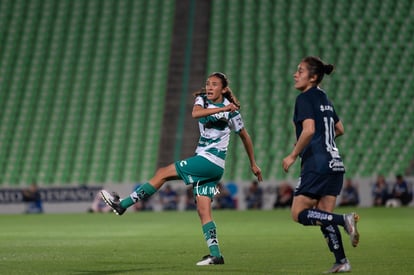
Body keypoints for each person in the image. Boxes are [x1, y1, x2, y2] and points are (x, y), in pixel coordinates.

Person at [100, 72, 262, 266]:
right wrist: (224, 108)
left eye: (215, 84)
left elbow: (245, 136)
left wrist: (253, 163)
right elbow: (196, 114)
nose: (209, 87)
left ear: (224, 89)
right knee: (204, 211)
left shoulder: (232, 113)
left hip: (210, 161)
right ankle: (215, 255)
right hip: (209, 164)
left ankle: (122, 205)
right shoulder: (202, 100)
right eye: (208, 84)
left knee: (162, 173)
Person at [282, 56, 359, 273]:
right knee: (323, 216)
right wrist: (323, 140)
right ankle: (342, 261)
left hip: (317, 164)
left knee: (298, 213)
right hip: (335, 164)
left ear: (313, 77)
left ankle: (344, 219)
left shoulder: (305, 98)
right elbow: (340, 129)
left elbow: (308, 130)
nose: (295, 74)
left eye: (300, 71)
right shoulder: (324, 97)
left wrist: (293, 155)